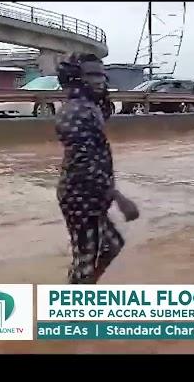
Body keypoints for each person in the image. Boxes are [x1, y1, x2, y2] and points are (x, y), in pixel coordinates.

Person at [55, 53, 139, 284]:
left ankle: (85, 288)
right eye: (92, 75)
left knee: (112, 245)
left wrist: (101, 92)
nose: (100, 79)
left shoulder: (89, 107)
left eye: (102, 75)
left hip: (92, 194)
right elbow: (84, 164)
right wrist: (119, 198)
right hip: (79, 194)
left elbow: (106, 110)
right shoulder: (74, 112)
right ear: (76, 78)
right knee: (85, 258)